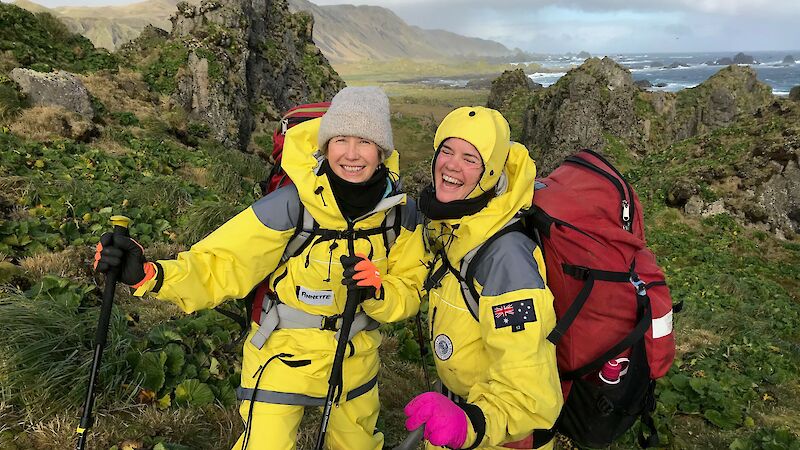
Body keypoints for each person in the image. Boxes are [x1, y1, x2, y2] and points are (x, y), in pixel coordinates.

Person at [94, 86, 429, 450]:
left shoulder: (401, 214)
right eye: (341, 139)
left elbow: (409, 289)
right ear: (325, 145)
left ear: (381, 152)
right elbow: (222, 264)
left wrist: (378, 292)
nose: (351, 154)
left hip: (355, 360)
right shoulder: (290, 204)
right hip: (280, 356)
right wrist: (150, 275)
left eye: (364, 141)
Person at [403, 106, 563, 450]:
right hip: (456, 418)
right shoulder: (453, 225)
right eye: (446, 150)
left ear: (490, 173)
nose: (451, 165)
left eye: (470, 158)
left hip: (495, 434)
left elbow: (527, 392)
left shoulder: (507, 260)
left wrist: (469, 424)